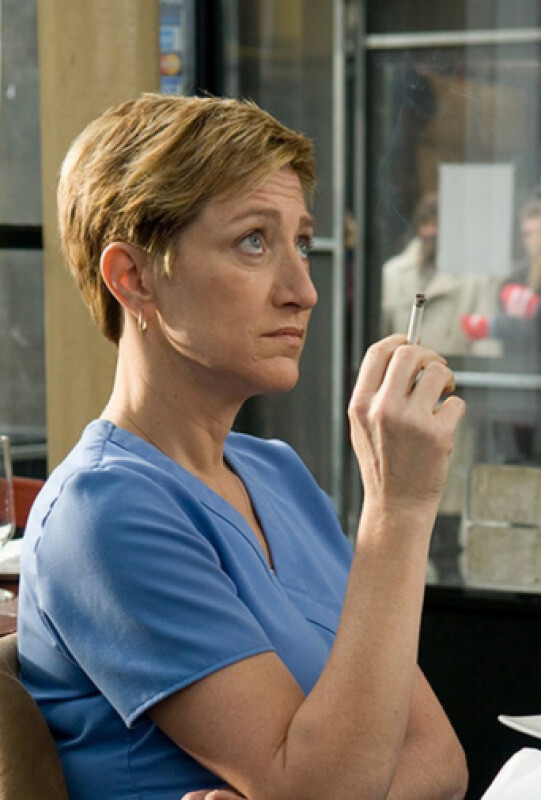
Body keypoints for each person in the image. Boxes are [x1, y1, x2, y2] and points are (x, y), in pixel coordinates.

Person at [17, 93, 468, 800]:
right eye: (253, 241)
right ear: (133, 278)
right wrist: (399, 508)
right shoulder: (103, 511)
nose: (303, 291)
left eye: (302, 243)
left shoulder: (276, 474)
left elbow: (440, 762)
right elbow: (328, 791)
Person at [381, 192, 499, 357]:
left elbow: (485, 344)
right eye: (425, 223)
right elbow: (381, 336)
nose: (430, 231)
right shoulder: (394, 274)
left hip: (451, 370)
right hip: (404, 370)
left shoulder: (477, 279)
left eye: (437, 224)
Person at [461, 194, 541, 357]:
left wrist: (494, 326)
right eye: (527, 234)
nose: (535, 241)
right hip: (516, 362)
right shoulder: (518, 275)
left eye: (538, 233)